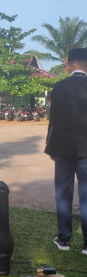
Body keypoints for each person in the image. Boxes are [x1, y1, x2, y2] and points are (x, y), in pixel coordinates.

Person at [45, 48, 87, 255]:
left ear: (69, 65)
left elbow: (53, 122)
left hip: (63, 150)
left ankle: (64, 238)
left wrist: (50, 148)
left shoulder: (59, 88)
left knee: (63, 193)